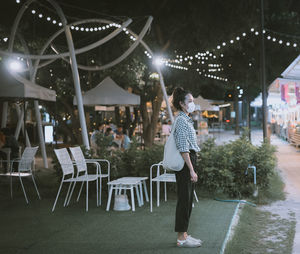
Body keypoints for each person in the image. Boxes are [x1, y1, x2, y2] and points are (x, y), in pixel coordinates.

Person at [172, 87, 202, 248]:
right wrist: (191, 169)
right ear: (182, 104)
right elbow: (183, 148)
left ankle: (184, 234)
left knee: (188, 199)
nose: (193, 104)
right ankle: (181, 238)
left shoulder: (185, 119)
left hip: (188, 161)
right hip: (185, 163)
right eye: (190, 101)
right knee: (185, 200)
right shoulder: (182, 121)